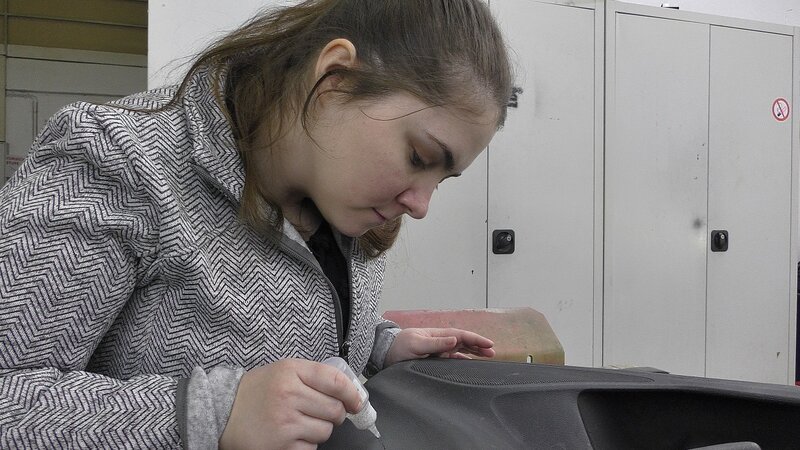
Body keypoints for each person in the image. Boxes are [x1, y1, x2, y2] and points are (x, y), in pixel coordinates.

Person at [0, 0, 513, 448]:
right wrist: (212, 413)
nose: (421, 205)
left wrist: (378, 347)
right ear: (335, 80)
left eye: (443, 179)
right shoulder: (119, 159)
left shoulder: (342, 199)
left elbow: (294, 321)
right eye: (420, 156)